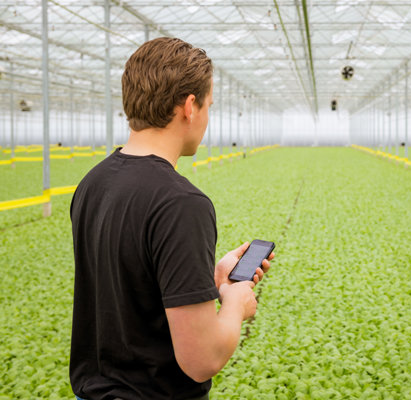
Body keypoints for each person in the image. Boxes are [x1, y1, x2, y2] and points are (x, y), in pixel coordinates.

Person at [69, 37, 273, 400]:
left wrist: (209, 279)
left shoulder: (93, 182)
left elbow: (128, 288)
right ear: (190, 106)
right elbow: (201, 357)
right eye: (209, 105)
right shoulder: (181, 203)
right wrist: (234, 302)